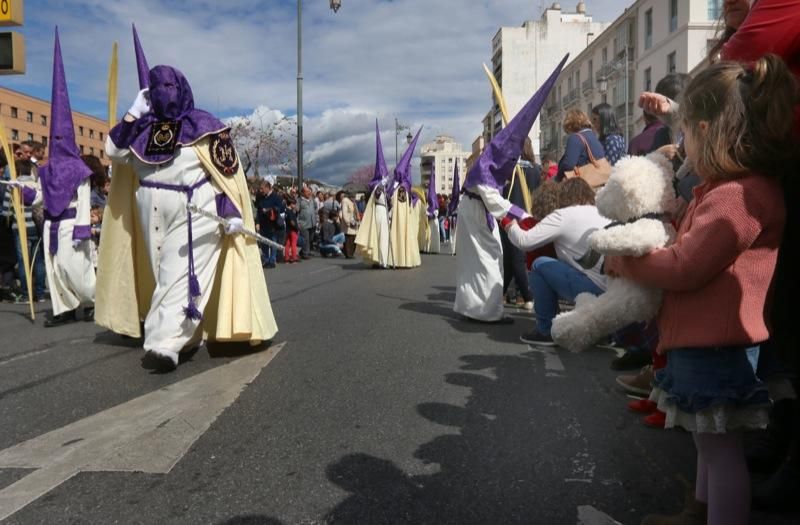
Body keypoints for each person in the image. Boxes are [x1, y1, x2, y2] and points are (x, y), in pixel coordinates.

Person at [606, 55, 796, 525]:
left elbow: (687, 265)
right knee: (709, 443)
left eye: (686, 131)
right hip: (708, 341)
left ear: (708, 131)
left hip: (717, 345)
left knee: (720, 450)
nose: (682, 142)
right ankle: (701, 512)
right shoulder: (729, 190)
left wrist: (628, 261)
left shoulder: (738, 196)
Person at [96, 26, 277, 371]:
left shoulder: (205, 126)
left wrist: (231, 210)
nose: (164, 93)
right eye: (156, 86)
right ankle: (187, 335)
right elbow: (114, 151)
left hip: (197, 210)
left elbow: (225, 175)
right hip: (150, 211)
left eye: (170, 86)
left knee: (179, 275)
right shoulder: (142, 129)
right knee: (162, 274)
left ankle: (165, 344)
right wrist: (133, 115)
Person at [454, 55, 567, 323]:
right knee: (489, 259)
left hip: (475, 213)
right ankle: (488, 313)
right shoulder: (485, 169)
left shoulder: (489, 164)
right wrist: (523, 216)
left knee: (480, 261)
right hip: (477, 213)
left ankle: (475, 308)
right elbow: (495, 201)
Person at [36, 31, 96, 327]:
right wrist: (24, 195)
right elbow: (38, 195)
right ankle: (65, 308)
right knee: (56, 269)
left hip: (72, 224)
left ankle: (94, 300)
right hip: (50, 224)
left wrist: (83, 226)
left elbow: (83, 198)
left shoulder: (78, 169)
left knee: (76, 268)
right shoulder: (45, 169)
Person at [504, 178, 611, 344]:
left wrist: (511, 226)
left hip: (592, 289)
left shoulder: (563, 215)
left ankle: (545, 330)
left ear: (564, 197)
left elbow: (525, 241)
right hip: (612, 291)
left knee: (539, 265)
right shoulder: (601, 212)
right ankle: (605, 333)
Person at [501, 138, 540, 310]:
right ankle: (500, 293)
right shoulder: (535, 170)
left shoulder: (511, 170)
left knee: (514, 259)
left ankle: (527, 296)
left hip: (511, 216)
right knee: (512, 259)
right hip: (528, 216)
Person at [355, 121, 392, 268]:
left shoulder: (384, 188)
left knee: (384, 236)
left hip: (384, 211)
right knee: (378, 236)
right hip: (378, 211)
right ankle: (378, 260)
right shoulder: (376, 186)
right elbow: (376, 195)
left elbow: (388, 199)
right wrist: (381, 185)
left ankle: (383, 259)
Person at [388, 128, 423, 269]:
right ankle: (404, 258)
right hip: (403, 217)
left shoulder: (398, 188)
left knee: (398, 235)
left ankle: (398, 258)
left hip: (398, 217)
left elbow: (392, 200)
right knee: (404, 235)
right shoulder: (404, 188)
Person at [556, 108, 606, 181]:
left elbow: (569, 165)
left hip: (581, 185)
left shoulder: (575, 138)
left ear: (570, 125)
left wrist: (557, 178)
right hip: (597, 182)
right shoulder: (593, 137)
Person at [256, 179, 284, 268]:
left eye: (262, 189)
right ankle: (266, 259)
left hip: (273, 225)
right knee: (264, 242)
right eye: (260, 189)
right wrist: (257, 222)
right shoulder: (260, 197)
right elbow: (258, 211)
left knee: (272, 242)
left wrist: (270, 210)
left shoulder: (276, 197)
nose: (260, 191)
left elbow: (281, 209)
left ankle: (272, 260)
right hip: (263, 224)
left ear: (268, 188)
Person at [337, 190, 358, 258]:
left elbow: (355, 211)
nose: (354, 197)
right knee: (349, 239)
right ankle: (348, 254)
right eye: (353, 196)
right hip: (348, 223)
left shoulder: (353, 202)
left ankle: (350, 253)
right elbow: (344, 213)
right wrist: (348, 222)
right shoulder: (345, 201)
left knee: (353, 239)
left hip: (354, 222)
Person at [297, 185, 315, 259]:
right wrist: (298, 222)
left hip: (312, 223)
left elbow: (315, 210)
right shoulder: (299, 200)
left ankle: (304, 251)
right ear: (302, 193)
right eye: (307, 192)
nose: (309, 193)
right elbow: (296, 211)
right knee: (306, 239)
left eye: (309, 191)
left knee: (310, 239)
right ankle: (305, 253)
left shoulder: (311, 200)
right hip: (303, 223)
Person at [425, 166, 440, 254]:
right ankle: (429, 249)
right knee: (430, 236)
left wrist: (429, 214)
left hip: (434, 222)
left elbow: (435, 214)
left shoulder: (436, 205)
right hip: (430, 223)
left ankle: (435, 249)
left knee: (435, 236)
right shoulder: (428, 205)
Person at [283, 198, 300, 263]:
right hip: (293, 229)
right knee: (293, 244)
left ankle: (286, 257)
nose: (295, 206)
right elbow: (292, 221)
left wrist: (296, 212)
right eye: (294, 204)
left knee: (288, 244)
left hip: (288, 229)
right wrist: (296, 228)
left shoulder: (286, 211)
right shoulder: (290, 211)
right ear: (291, 204)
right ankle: (294, 257)